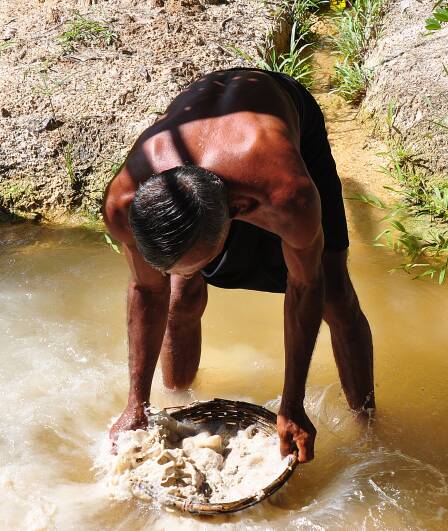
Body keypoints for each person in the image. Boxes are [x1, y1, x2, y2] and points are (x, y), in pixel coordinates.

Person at [102, 68, 374, 463]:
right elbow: (147, 290)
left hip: (285, 115)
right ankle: (178, 400)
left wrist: (292, 403)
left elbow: (305, 287)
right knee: (180, 292)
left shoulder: (287, 195)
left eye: (201, 263)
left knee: (334, 291)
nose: (187, 272)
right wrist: (135, 406)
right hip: (206, 122)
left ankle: (367, 425)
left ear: (241, 211)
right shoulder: (122, 203)